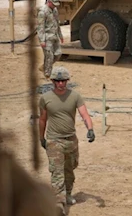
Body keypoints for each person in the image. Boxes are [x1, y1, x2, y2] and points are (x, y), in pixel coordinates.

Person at [39, 66, 95, 215]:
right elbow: (42, 119)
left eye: (63, 80)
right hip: (54, 141)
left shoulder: (75, 96)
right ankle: (59, 204)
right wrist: (41, 138)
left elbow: (84, 114)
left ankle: (68, 193)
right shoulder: (45, 98)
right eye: (58, 81)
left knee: (69, 169)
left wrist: (90, 129)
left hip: (71, 140)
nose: (61, 84)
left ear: (67, 81)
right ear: (52, 81)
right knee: (57, 173)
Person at [37, 0, 64, 80]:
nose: (55, 6)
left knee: (58, 54)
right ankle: (47, 75)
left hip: (55, 36)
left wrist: (60, 35)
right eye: (53, 4)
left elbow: (57, 23)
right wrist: (42, 40)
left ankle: (44, 67)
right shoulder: (43, 12)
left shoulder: (55, 10)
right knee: (49, 56)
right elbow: (40, 27)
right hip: (47, 37)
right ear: (49, 2)